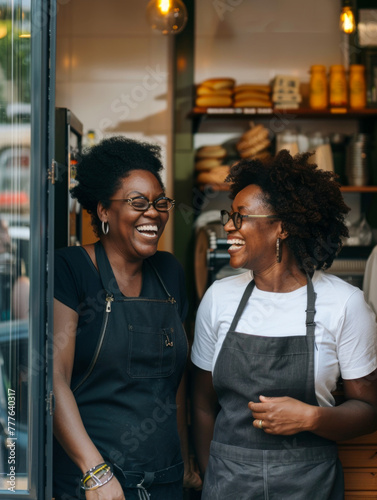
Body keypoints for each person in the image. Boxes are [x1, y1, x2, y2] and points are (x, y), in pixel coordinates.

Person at [191, 149, 377, 499]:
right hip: (227, 482)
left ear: (283, 227)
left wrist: (311, 419)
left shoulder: (343, 304)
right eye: (228, 215)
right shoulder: (218, 297)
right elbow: (201, 403)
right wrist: (211, 474)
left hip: (310, 484)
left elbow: (369, 410)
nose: (228, 226)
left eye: (241, 216)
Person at [53, 136, 201, 499]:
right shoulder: (70, 269)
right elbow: (51, 380)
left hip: (165, 477)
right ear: (103, 210)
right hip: (95, 483)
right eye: (138, 202)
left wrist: (185, 458)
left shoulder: (169, 271)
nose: (153, 212)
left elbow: (176, 381)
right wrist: (96, 473)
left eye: (160, 202)